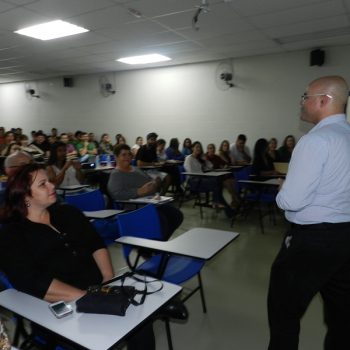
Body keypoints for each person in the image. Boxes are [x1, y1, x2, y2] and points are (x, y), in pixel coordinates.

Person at [0, 163, 155, 350]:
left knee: (141, 324)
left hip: (97, 289)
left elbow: (95, 243)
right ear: (25, 196)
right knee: (105, 336)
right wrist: (90, 298)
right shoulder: (13, 234)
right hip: (60, 310)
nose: (52, 186)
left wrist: (107, 280)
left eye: (49, 181)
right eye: (43, 184)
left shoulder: (68, 212)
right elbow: (31, 281)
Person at [267, 76, 350, 350]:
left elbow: (291, 201)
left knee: (283, 313)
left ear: (324, 100)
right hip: (344, 238)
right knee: (341, 317)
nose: (301, 102)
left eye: (305, 96)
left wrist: (283, 187)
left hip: (311, 242)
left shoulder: (314, 141)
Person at [108, 144, 183, 241]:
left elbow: (149, 181)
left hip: (150, 202)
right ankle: (153, 248)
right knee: (162, 220)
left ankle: (160, 243)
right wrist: (138, 191)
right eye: (123, 155)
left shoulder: (135, 169)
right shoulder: (116, 174)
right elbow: (116, 194)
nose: (127, 157)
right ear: (116, 157)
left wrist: (155, 184)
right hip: (135, 207)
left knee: (176, 215)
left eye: (129, 154)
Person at [184, 141, 234, 214]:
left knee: (218, 181)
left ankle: (218, 203)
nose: (199, 148)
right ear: (192, 148)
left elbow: (210, 166)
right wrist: (203, 175)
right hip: (193, 181)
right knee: (216, 183)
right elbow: (190, 172)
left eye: (200, 147)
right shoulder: (189, 158)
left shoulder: (199, 159)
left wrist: (205, 159)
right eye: (197, 147)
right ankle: (217, 202)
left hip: (202, 180)